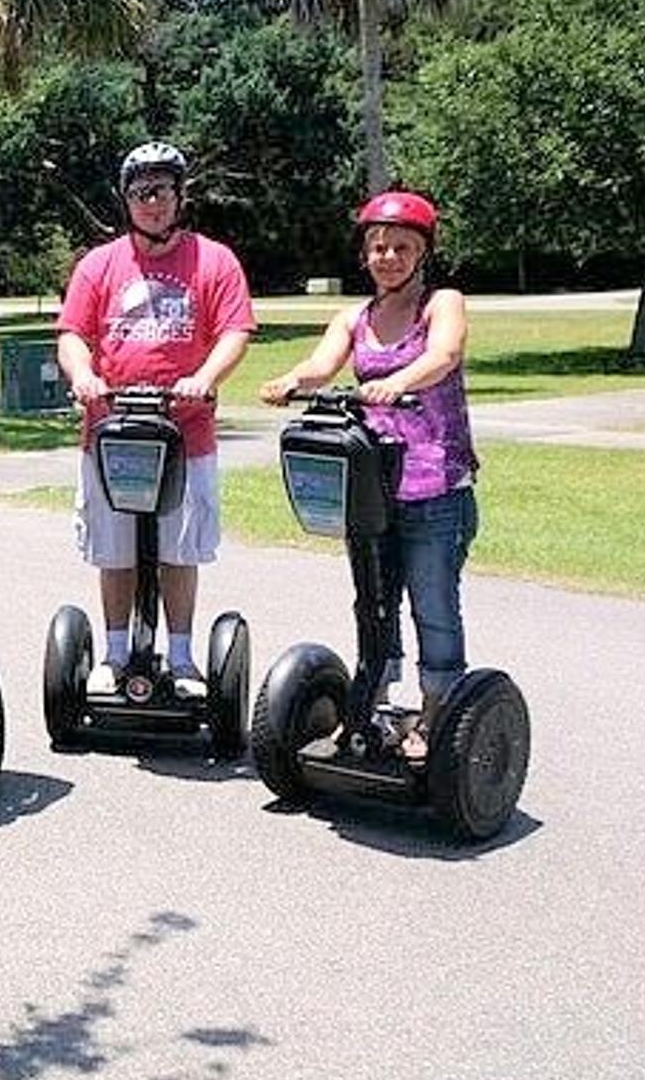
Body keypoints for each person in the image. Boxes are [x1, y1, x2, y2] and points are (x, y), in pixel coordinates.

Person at [259, 189, 478, 756]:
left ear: (422, 252)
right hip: (371, 484)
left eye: (401, 247)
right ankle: (370, 707)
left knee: (432, 603)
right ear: (365, 254)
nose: (388, 257)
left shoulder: (441, 303)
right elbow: (321, 364)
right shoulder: (354, 316)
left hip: (436, 485)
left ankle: (436, 716)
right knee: (372, 601)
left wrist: (399, 382)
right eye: (378, 247)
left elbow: (444, 355)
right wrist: (290, 381)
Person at [56, 140, 257, 698]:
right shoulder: (99, 264)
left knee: (179, 549)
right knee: (114, 550)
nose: (153, 203)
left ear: (179, 196)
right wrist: (84, 376)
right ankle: (116, 653)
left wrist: (205, 378)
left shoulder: (213, 260)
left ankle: (184, 656)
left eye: (162, 191)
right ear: (127, 200)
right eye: (142, 192)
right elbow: (73, 334)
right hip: (111, 431)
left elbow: (234, 331)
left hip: (186, 433)